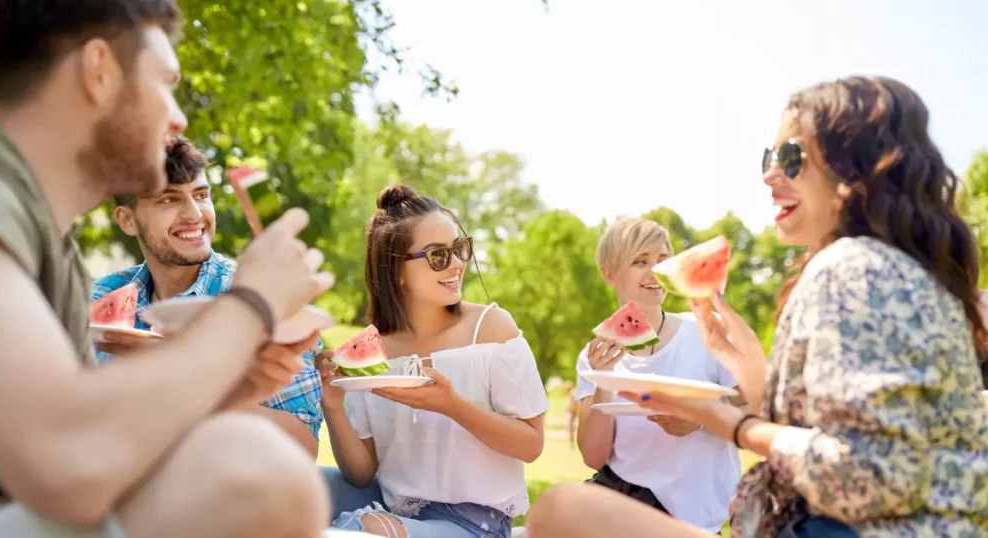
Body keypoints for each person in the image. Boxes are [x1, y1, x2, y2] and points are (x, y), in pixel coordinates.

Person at [525, 75, 988, 537]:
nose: (769, 175)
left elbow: (865, 476)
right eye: (769, 158)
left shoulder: (852, 267)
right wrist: (741, 360)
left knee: (560, 511)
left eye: (790, 157)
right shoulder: (910, 273)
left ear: (854, 168)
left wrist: (732, 424)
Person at [0, 1, 335, 537]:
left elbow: (97, 440)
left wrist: (227, 387)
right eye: (164, 83)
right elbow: (69, 461)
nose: (177, 116)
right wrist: (249, 306)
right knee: (254, 474)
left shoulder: (45, 237)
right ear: (99, 71)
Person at [317, 184, 550, 538]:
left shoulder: (490, 330)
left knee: (359, 530)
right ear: (396, 270)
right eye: (438, 255)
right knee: (297, 486)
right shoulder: (375, 348)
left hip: (477, 524)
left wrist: (452, 405)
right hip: (396, 509)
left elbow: (531, 445)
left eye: (459, 249)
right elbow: (361, 474)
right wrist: (333, 408)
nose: (456, 263)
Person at [91, 134, 325, 457]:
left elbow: (304, 446)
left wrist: (183, 378)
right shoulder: (99, 298)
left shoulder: (262, 296)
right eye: (169, 199)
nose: (194, 214)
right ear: (127, 220)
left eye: (201, 195)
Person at [574, 218, 741, 533]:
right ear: (609, 274)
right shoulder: (593, 356)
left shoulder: (707, 330)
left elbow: (756, 412)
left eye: (663, 261)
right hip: (625, 514)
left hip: (696, 523)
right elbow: (594, 457)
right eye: (640, 261)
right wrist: (602, 380)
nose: (655, 272)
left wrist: (702, 418)